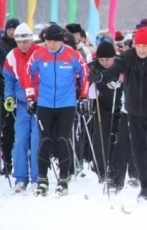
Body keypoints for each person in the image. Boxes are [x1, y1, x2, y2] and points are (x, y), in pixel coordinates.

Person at [88, 26, 147, 202]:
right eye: (139, 45)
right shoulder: (127, 56)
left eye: (146, 46)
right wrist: (99, 78)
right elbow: (112, 72)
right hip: (134, 111)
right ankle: (145, 186)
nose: (142, 49)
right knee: (138, 150)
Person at [24, 24, 90, 196]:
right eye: (48, 41)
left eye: (55, 41)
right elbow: (27, 74)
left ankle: (63, 179)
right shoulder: (38, 54)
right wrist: (30, 97)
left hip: (66, 104)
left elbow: (85, 74)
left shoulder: (72, 55)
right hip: (44, 104)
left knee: (62, 139)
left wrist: (83, 97)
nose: (51, 45)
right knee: (45, 140)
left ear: (61, 41)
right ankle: (42, 179)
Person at [3, 23, 44, 193]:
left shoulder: (40, 53)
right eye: (19, 42)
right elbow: (9, 79)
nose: (23, 45)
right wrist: (9, 96)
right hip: (21, 104)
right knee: (20, 140)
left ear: (31, 39)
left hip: (39, 102)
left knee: (36, 140)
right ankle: (21, 178)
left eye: (25, 41)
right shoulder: (12, 55)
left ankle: (36, 177)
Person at [88, 41, 123, 183]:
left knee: (122, 138)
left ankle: (121, 168)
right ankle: (100, 169)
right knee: (101, 136)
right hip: (102, 106)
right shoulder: (94, 67)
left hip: (122, 106)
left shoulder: (121, 64)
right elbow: (87, 84)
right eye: (101, 60)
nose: (105, 63)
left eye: (108, 59)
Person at [0, 18, 20, 176]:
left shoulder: (20, 46)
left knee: (12, 129)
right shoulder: (1, 45)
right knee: (5, 128)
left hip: (16, 91)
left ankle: (11, 161)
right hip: (2, 90)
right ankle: (6, 161)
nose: (11, 32)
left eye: (14, 29)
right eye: (9, 29)